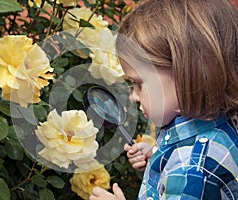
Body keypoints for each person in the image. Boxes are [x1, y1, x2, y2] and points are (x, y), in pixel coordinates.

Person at [89, 0, 238, 199]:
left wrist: (177, 168)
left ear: (188, 75)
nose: (133, 96)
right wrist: (160, 159)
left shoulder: (191, 171)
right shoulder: (219, 126)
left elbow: (190, 175)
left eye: (138, 84)